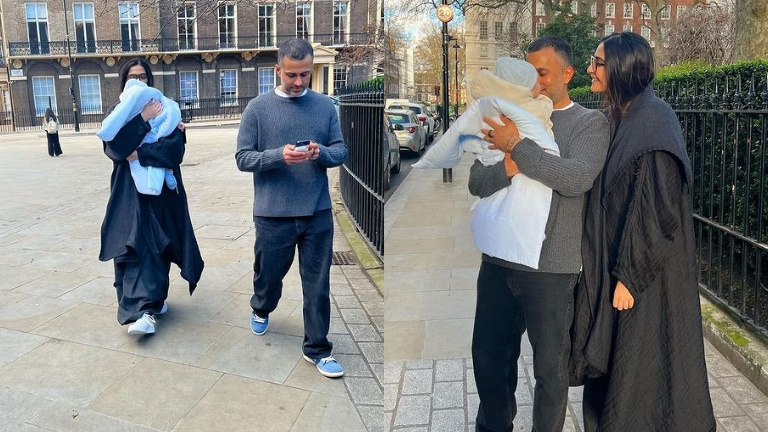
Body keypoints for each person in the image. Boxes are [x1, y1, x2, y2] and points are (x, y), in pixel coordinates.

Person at [572, 32, 715, 431]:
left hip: (646, 281)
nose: (590, 69)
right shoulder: (624, 115)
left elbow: (660, 209)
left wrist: (629, 277)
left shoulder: (654, 123)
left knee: (642, 372)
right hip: (624, 271)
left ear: (620, 69)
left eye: (598, 63)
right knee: (623, 368)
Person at [469, 36, 610, 432]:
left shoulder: (588, 123)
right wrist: (507, 167)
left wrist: (518, 146)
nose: (534, 83)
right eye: (528, 74)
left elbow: (576, 178)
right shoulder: (502, 115)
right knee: (489, 358)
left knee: (551, 371)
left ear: (567, 74)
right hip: (497, 261)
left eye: (543, 73)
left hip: (551, 269)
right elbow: (477, 181)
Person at [235, 38, 348, 378]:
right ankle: (262, 306)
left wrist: (320, 154)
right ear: (278, 70)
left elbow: (340, 150)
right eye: (292, 75)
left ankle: (318, 348)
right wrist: (277, 156)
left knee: (317, 283)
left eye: (305, 75)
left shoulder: (325, 106)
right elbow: (243, 158)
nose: (299, 82)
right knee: (269, 277)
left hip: (317, 212)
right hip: (273, 214)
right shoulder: (257, 108)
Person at [98, 58, 204, 336]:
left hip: (161, 195)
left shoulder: (167, 110)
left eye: (143, 76)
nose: (139, 82)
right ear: (123, 82)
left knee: (160, 246)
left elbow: (173, 151)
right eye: (133, 77)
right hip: (128, 194)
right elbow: (115, 148)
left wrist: (140, 154)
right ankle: (142, 309)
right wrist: (142, 119)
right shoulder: (118, 113)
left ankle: (150, 305)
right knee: (131, 247)